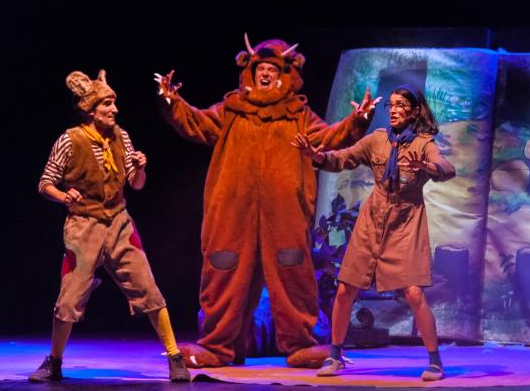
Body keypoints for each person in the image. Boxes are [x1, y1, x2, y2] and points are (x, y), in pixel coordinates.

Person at [154, 35, 380, 368]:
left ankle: (301, 345)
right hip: (231, 213)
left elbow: (327, 137)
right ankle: (218, 346)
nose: (265, 73)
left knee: (293, 274)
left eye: (272, 69)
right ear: (250, 72)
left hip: (285, 214)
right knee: (223, 271)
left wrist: (357, 120)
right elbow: (197, 122)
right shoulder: (232, 110)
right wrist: (172, 102)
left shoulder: (297, 115)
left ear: (284, 75)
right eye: (260, 68)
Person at [29, 69, 190, 383]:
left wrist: (140, 169)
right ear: (90, 110)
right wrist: (64, 195)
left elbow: (136, 184)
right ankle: (55, 362)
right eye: (107, 104)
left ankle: (175, 357)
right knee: (69, 299)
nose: (114, 109)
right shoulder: (69, 139)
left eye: (114, 103)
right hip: (83, 226)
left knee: (148, 289)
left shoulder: (122, 137)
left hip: (119, 223)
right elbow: (45, 183)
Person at [293, 84, 456, 381]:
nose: (393, 110)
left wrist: (428, 167)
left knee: (413, 293)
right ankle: (335, 355)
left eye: (400, 105)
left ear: (414, 111)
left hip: (405, 222)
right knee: (346, 289)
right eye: (390, 105)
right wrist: (315, 155)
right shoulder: (377, 140)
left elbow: (447, 168)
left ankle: (435, 362)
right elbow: (342, 158)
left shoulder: (423, 144)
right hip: (372, 220)